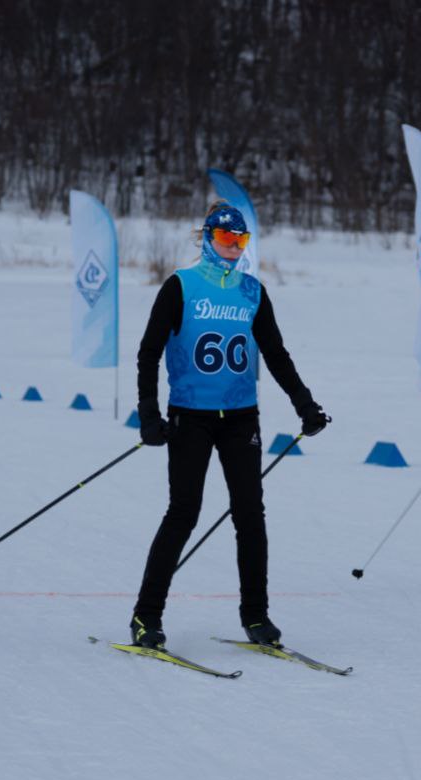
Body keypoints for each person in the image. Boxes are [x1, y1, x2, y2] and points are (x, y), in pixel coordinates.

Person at [130, 203, 330, 649]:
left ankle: (256, 617)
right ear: (207, 239)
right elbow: (149, 352)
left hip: (241, 417)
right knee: (183, 514)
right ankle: (146, 617)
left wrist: (304, 404)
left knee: (249, 515)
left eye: (241, 241)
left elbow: (275, 353)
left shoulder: (251, 291)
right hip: (191, 416)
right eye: (226, 240)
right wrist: (148, 411)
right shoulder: (181, 285)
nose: (234, 248)